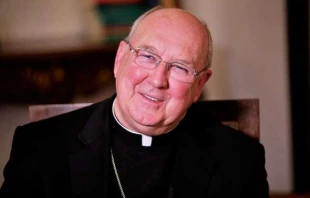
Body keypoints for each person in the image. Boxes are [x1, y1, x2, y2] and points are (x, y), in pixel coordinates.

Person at [0, 6, 269, 198]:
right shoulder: (38, 148)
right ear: (120, 58)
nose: (157, 80)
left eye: (179, 67)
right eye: (148, 56)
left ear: (199, 85)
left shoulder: (240, 159)